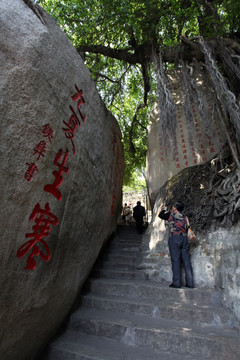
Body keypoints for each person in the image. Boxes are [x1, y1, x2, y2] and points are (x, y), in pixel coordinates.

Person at [158, 202, 194, 289]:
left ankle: (176, 283)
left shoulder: (171, 215)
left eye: (173, 206)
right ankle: (190, 283)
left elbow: (161, 215)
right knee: (186, 260)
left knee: (175, 260)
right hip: (185, 239)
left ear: (175, 208)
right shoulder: (185, 217)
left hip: (175, 238)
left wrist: (164, 208)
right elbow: (188, 227)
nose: (172, 207)